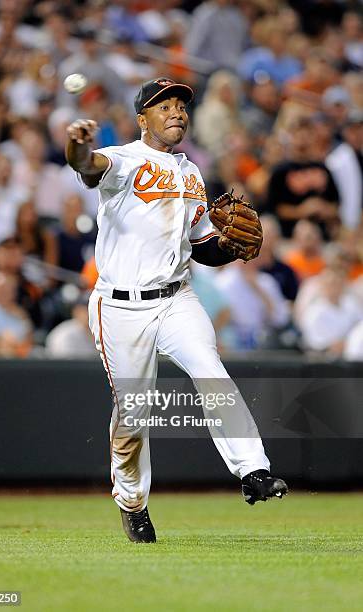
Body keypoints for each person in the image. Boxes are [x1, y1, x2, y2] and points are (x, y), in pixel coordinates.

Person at [65, 77, 288, 544]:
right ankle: (132, 503)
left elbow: (202, 245)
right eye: (163, 105)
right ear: (142, 118)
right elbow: (89, 168)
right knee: (134, 414)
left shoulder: (191, 174)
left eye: (181, 106)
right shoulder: (124, 159)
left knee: (211, 369)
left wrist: (229, 247)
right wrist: (78, 148)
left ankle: (253, 470)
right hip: (120, 306)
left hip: (177, 298)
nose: (176, 113)